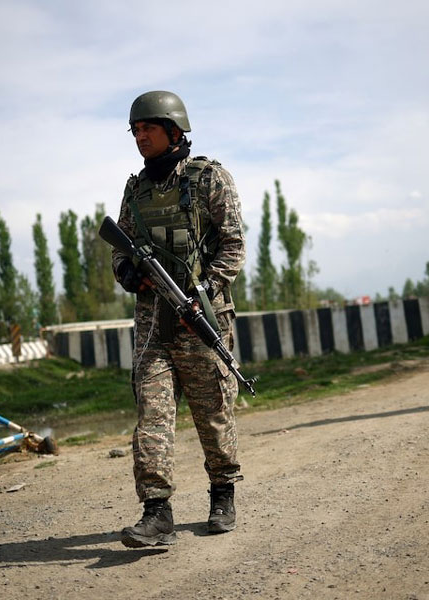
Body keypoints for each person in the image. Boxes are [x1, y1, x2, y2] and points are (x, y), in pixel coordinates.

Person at [111, 91, 245, 547]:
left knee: (214, 414)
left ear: (173, 129)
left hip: (202, 319)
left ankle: (222, 493)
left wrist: (204, 290)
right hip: (153, 325)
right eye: (134, 130)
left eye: (146, 128)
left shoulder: (209, 179)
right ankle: (156, 511)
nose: (139, 137)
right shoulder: (136, 190)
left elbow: (233, 245)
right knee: (152, 414)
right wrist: (130, 273)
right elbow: (121, 248)